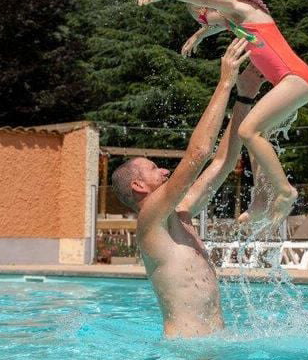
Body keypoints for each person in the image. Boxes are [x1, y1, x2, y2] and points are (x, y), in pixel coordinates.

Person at [110, 38, 261, 338]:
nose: (164, 170)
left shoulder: (180, 214)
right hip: (186, 353)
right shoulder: (150, 221)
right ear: (139, 186)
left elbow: (222, 162)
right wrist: (225, 83)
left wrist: (245, 97)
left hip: (216, 343)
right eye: (154, 169)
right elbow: (198, 154)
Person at [137, 0, 308, 228]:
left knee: (248, 131)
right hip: (291, 82)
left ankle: (285, 191)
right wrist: (200, 34)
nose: (204, 21)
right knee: (258, 136)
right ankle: (263, 197)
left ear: (210, 3)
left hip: (296, 79)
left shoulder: (239, 6)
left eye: (201, 16)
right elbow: (219, 22)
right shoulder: (235, 16)